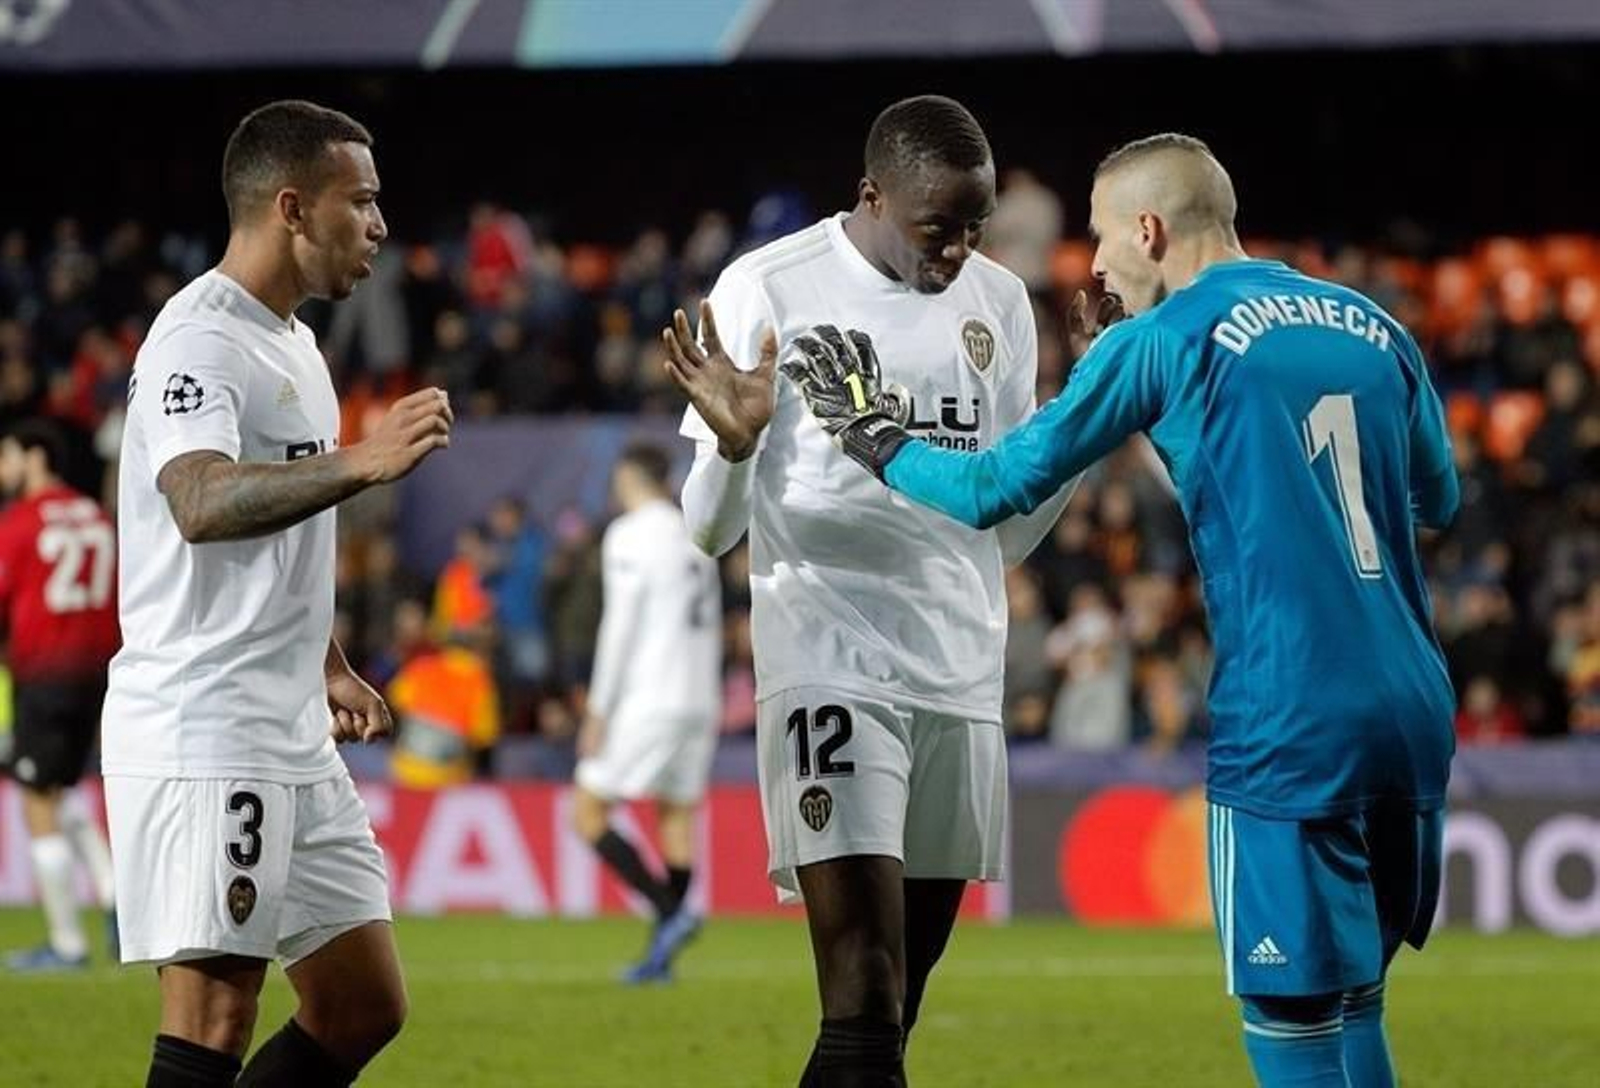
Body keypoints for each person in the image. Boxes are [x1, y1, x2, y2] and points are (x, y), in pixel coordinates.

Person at [783, 133, 1459, 1088]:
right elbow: (1441, 498)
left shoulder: (1160, 342)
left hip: (1290, 716)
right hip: (1416, 713)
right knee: (1356, 999)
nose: (1093, 263)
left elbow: (992, 488)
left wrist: (874, 435)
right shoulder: (1373, 323)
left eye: (1101, 238)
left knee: (1292, 1015)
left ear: (1148, 229)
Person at [661, 95, 1076, 1086]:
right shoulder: (769, 286)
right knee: (863, 981)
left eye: (973, 229)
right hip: (828, 660)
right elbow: (708, 529)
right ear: (871, 197)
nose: (956, 253)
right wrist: (733, 444)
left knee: (892, 1010)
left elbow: (1002, 529)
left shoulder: (999, 302)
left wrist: (1074, 451)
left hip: (957, 675)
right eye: (937, 230)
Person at [101, 99, 453, 1087]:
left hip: (286, 719)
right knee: (214, 1015)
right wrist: (363, 459)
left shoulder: (292, 342)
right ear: (293, 207)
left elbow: (281, 530)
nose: (381, 224)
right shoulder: (199, 341)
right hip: (206, 721)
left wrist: (327, 654)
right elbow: (201, 500)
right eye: (364, 201)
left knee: (360, 1002)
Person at [570, 442, 722, 984]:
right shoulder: (694, 531)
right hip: (699, 697)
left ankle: (671, 912)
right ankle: (661, 957)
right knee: (675, 816)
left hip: (650, 697)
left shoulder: (630, 534)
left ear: (629, 476)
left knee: (586, 811)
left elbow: (621, 626)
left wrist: (598, 709)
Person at [0, 420, 119, 971]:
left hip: (43, 669)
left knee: (35, 799)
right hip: (94, 672)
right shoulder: (97, 517)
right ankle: (115, 895)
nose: (4, 468)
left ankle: (67, 943)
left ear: (34, 458)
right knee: (57, 787)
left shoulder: (19, 523)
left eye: (9, 456)